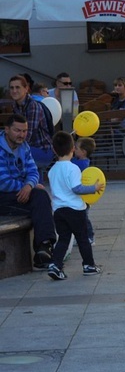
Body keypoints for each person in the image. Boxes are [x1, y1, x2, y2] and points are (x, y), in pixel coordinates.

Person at [0, 114, 57, 269]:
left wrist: (29, 186)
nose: (22, 134)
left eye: (24, 131)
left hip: (21, 192)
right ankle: (43, 249)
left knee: (41, 197)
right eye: (17, 130)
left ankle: (44, 248)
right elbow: (3, 181)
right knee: (39, 201)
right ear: (6, 130)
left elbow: (33, 171)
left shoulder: (24, 146)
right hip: (3, 197)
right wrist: (25, 187)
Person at [46, 131, 104, 280]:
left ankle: (55, 265)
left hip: (58, 210)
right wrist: (93, 188)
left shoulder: (52, 170)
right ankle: (89, 265)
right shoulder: (73, 168)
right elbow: (76, 188)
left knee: (64, 239)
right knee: (83, 238)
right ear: (73, 148)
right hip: (75, 210)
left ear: (54, 150)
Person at [9, 75, 54, 170]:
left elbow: (27, 135)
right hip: (26, 148)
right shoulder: (15, 106)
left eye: (17, 87)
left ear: (26, 89)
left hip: (41, 150)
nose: (14, 91)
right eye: (11, 87)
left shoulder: (33, 106)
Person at [72, 137, 97, 245]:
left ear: (83, 152)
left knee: (83, 218)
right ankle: (83, 237)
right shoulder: (80, 161)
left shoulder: (81, 164)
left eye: (76, 148)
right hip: (81, 195)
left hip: (83, 196)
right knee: (80, 218)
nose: (74, 149)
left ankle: (89, 236)